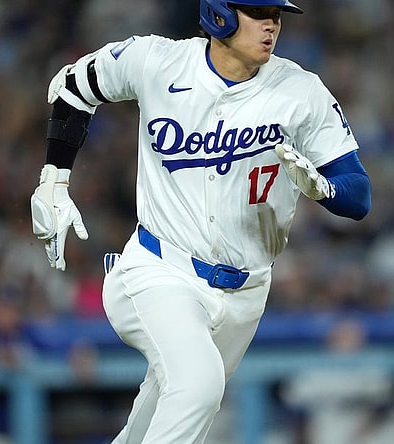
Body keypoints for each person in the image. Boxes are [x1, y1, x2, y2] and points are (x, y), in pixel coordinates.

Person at [29, 0, 372, 442]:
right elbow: (73, 85)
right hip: (159, 270)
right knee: (198, 385)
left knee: (157, 416)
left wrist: (324, 190)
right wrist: (54, 181)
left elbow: (359, 194)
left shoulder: (300, 91)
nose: (271, 25)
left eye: (277, 15)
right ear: (220, 13)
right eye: (258, 11)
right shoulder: (158, 61)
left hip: (246, 293)